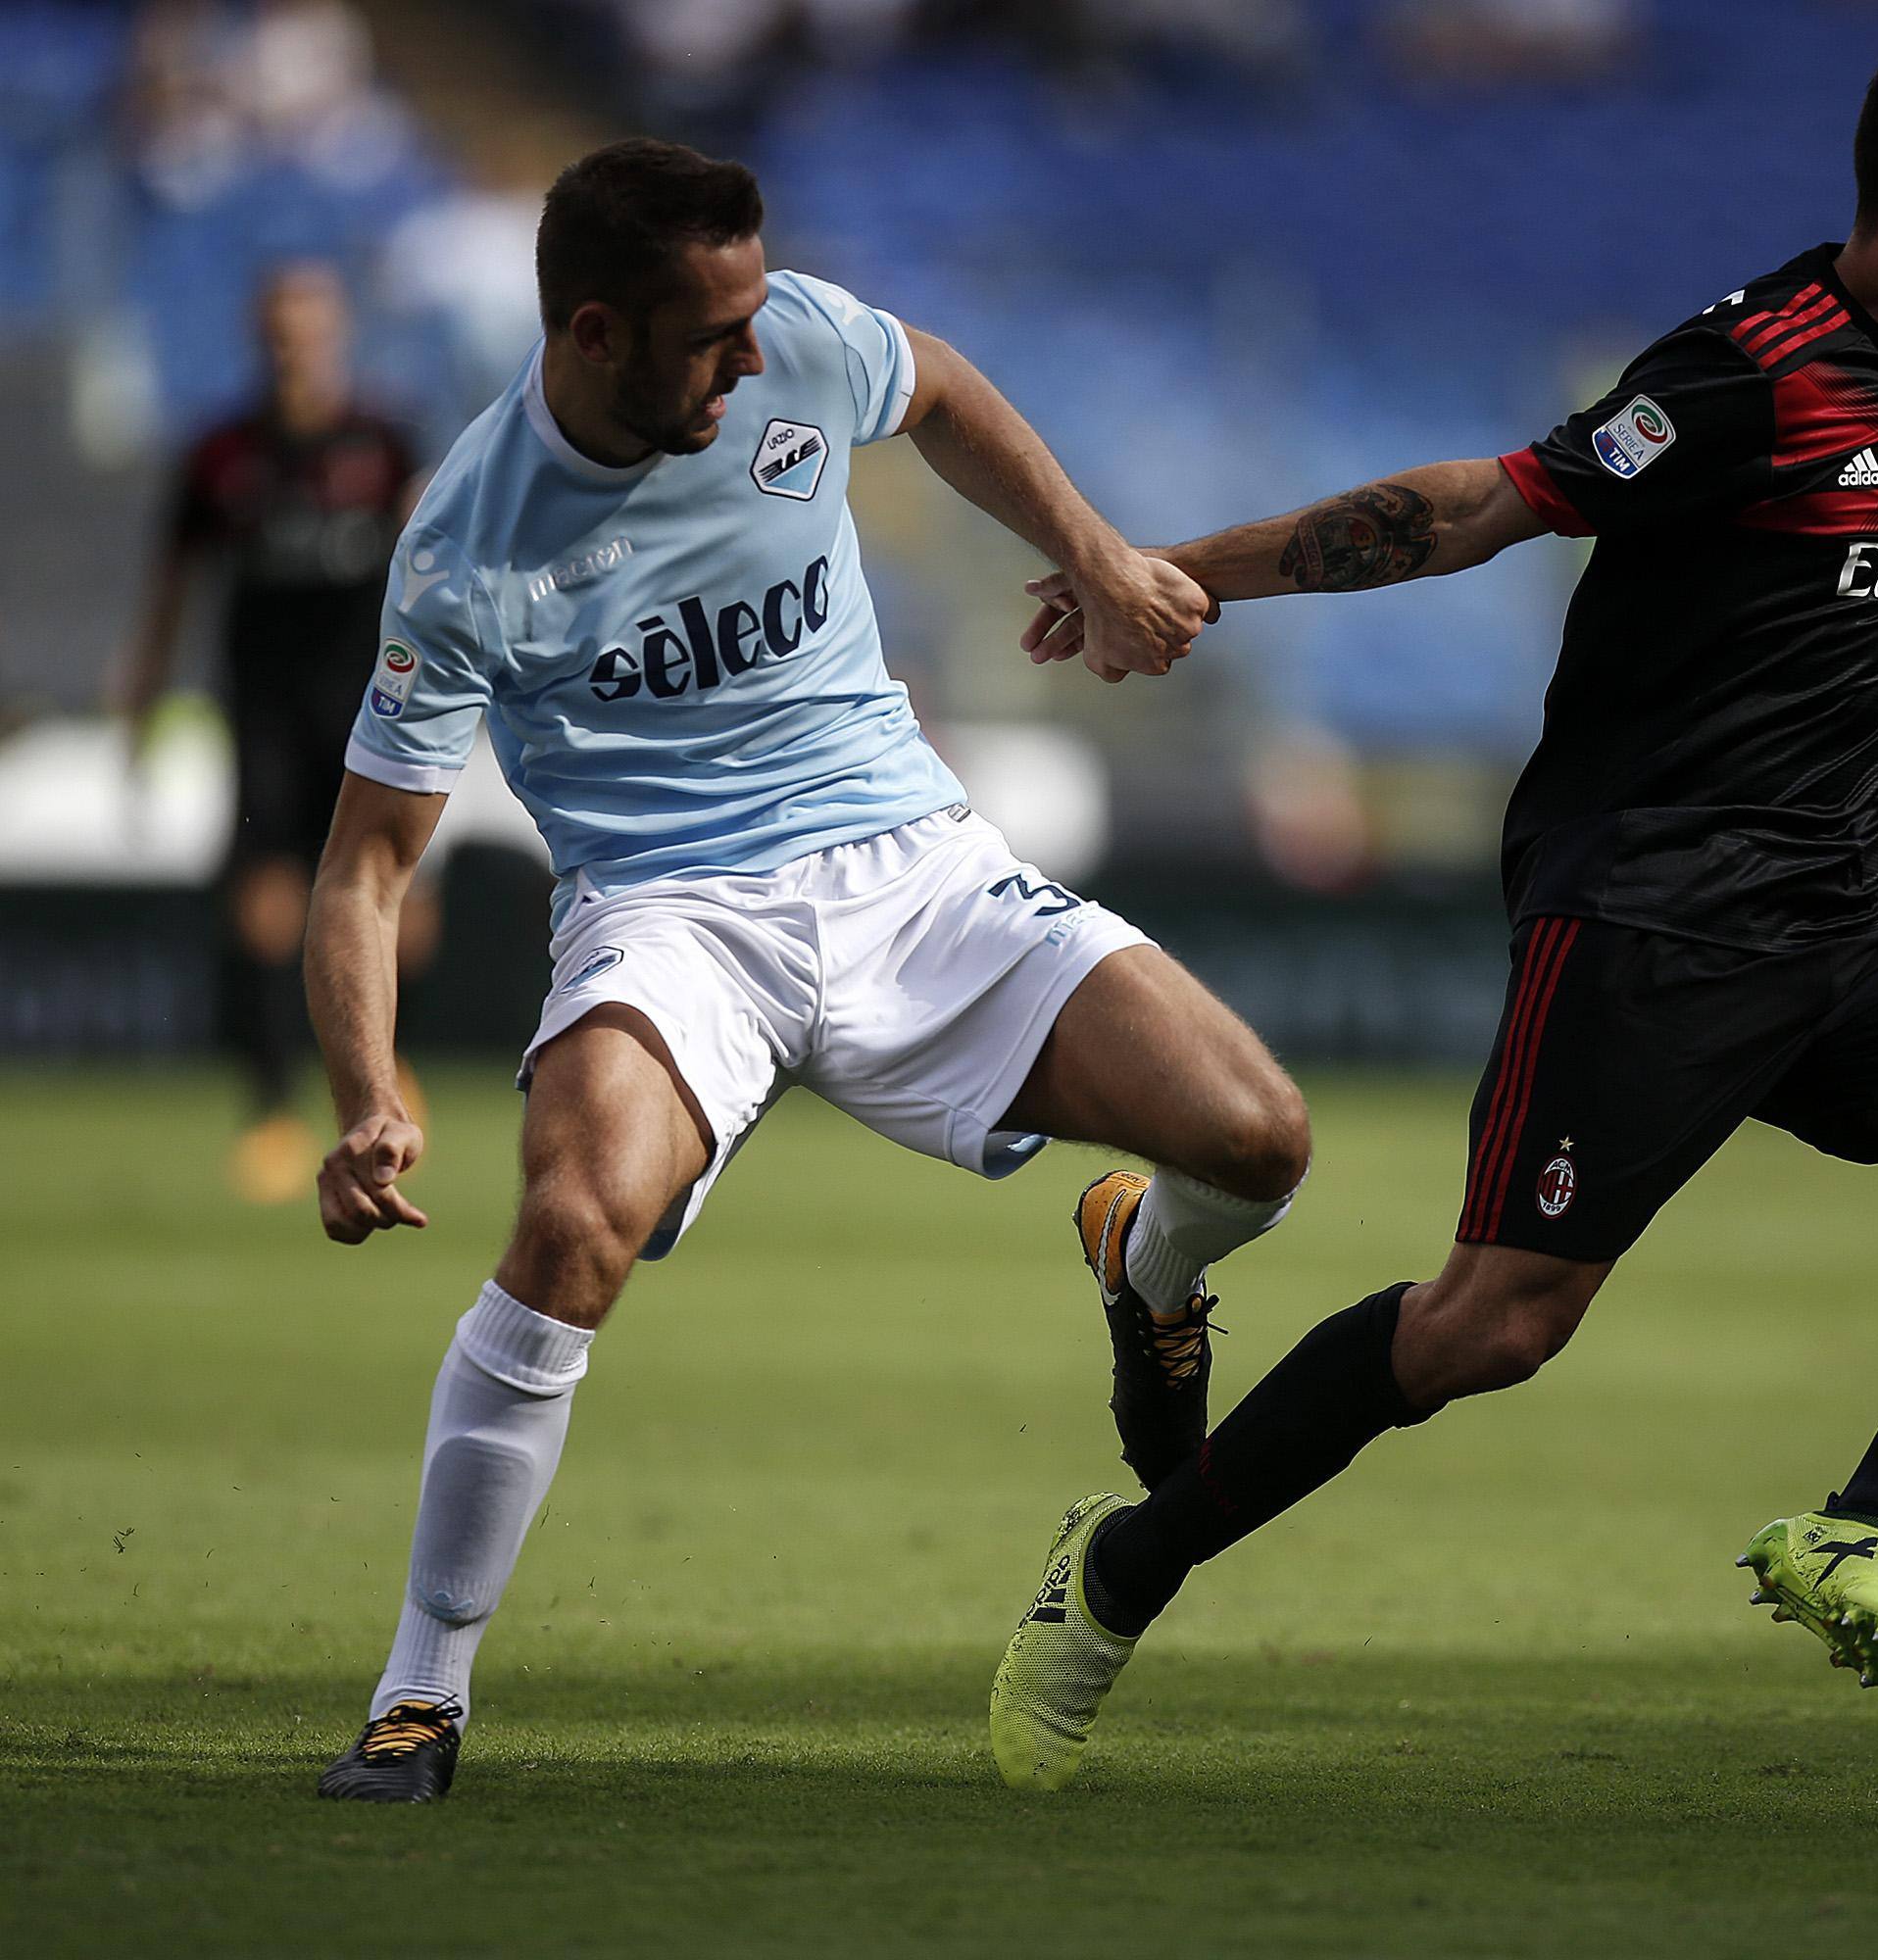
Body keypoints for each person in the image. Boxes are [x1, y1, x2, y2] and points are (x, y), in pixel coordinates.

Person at [990, 21, 1878, 1788]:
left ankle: (1861, 1527)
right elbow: (1481, 507)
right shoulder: (1751, 373)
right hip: (1653, 917)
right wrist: (1164, 573)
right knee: (1493, 1326)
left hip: (1836, 920)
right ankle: (1114, 1577)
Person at [306, 140, 1310, 1802]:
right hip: (671, 913)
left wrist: (1095, 550)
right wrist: (367, 1095)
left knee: (1259, 1139)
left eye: (757, 317)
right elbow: (363, 866)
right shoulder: (467, 545)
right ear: (597, 333)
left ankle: (1146, 1264)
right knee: (568, 1228)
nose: (754, 357)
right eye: (713, 338)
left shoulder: (798, 341)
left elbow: (941, 386)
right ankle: (422, 1696)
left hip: (911, 863)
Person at [112, 261, 429, 1202]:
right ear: (261, 340)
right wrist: (141, 704)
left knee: (405, 906)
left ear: (337, 335)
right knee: (265, 900)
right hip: (264, 713)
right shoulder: (221, 457)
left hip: (374, 709)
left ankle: (387, 1070)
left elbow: (436, 568)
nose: (296, 350)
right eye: (281, 334)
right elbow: (171, 591)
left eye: (310, 331)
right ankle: (275, 1108)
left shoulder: (384, 443)